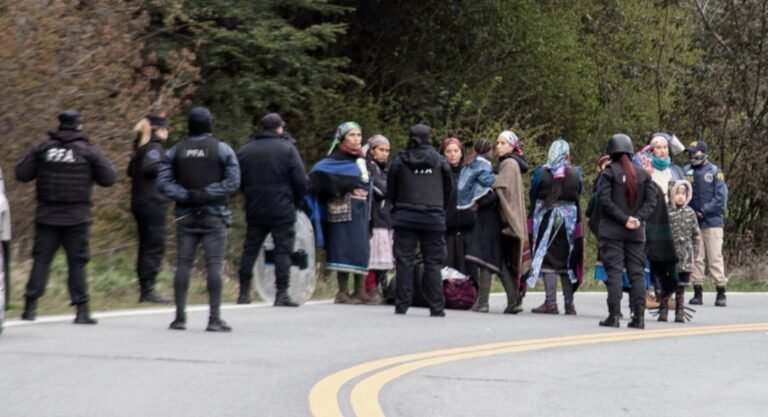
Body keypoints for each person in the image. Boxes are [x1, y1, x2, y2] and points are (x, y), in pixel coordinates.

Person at [16, 109, 116, 324]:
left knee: (41, 260)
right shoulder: (88, 151)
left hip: (46, 216)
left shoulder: (43, 149)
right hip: (77, 218)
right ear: (79, 126)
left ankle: (30, 308)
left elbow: (22, 174)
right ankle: (82, 311)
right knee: (77, 263)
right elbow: (109, 178)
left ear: (60, 125)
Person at [157, 106, 240, 332]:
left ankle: (179, 318)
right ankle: (214, 319)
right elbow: (233, 182)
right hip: (215, 214)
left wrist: (187, 195)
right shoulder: (222, 149)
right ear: (209, 124)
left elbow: (162, 183)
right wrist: (207, 193)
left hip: (185, 214)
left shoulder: (176, 150)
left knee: (183, 264)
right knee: (214, 265)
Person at [236, 113, 308, 306]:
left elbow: (237, 181)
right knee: (282, 251)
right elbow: (301, 180)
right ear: (279, 128)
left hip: (255, 206)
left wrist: (249, 196)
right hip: (282, 207)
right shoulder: (287, 149)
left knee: (250, 249)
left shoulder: (245, 150)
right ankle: (281, 293)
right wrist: (297, 202)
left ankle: (243, 292)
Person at [387, 123, 452, 316]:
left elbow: (391, 189)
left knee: (404, 261)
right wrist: (439, 209)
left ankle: (402, 305)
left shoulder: (400, 160)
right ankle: (437, 307)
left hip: (405, 216)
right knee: (433, 263)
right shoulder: (440, 161)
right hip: (433, 217)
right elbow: (448, 189)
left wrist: (398, 208)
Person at [307, 122, 372, 304]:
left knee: (361, 249)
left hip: (360, 211)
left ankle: (359, 291)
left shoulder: (361, 160)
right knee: (342, 248)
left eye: (359, 135)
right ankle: (342, 291)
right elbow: (317, 179)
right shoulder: (331, 161)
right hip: (340, 211)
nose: (357, 139)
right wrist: (339, 189)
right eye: (352, 135)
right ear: (342, 139)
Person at [597, 133, 657, 329]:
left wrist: (624, 219)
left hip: (613, 230)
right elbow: (652, 201)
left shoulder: (608, 173)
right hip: (636, 232)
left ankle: (614, 316)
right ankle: (638, 317)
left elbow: (604, 201)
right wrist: (637, 218)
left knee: (614, 273)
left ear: (611, 152)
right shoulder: (642, 175)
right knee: (637, 273)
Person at [527, 138, 584, 315]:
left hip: (547, 219)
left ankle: (550, 302)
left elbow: (533, 193)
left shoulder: (542, 173)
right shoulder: (575, 174)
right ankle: (569, 303)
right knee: (567, 259)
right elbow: (578, 193)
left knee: (548, 257)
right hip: (569, 221)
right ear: (567, 153)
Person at [127, 114, 171, 304]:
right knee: (154, 244)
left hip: (140, 202)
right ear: (158, 130)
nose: (167, 132)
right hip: (152, 202)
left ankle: (145, 287)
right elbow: (151, 167)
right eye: (165, 129)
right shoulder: (154, 148)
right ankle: (149, 288)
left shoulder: (140, 148)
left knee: (146, 245)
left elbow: (130, 171)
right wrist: (170, 170)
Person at [684, 140, 729, 306]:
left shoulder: (715, 171)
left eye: (694, 152)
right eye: (690, 153)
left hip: (713, 222)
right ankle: (697, 291)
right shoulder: (686, 171)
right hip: (693, 221)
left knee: (715, 256)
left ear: (703, 153)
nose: (692, 156)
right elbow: (681, 193)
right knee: (697, 257)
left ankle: (721, 291)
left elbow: (721, 197)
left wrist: (704, 210)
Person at [491, 130, 530, 314]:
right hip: (512, 219)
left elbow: (500, 189)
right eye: (497, 143)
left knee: (503, 262)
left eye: (503, 143)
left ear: (512, 146)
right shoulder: (512, 163)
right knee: (506, 262)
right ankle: (514, 299)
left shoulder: (508, 163)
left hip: (507, 220)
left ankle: (513, 299)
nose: (498, 146)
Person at [662, 180, 700, 322]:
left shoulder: (690, 213)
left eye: (683, 194)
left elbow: (696, 235)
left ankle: (680, 310)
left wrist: (694, 253)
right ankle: (664, 308)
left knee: (681, 286)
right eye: (677, 193)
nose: (680, 197)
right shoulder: (666, 211)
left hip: (685, 256)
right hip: (668, 257)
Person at [441, 136, 477, 281]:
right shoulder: (441, 173)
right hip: (447, 229)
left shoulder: (469, 172)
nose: (452, 154)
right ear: (443, 154)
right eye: (448, 151)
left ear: (461, 152)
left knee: (469, 269)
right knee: (447, 269)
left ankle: (471, 295)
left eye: (455, 151)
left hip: (468, 228)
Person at [365, 134, 393, 302]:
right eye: (381, 150)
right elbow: (381, 189)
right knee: (373, 254)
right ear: (372, 150)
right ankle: (370, 287)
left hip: (386, 216)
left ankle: (381, 285)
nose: (384, 153)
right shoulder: (369, 167)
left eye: (387, 150)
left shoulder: (383, 169)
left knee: (383, 255)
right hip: (374, 217)